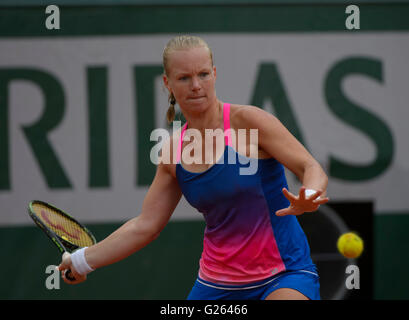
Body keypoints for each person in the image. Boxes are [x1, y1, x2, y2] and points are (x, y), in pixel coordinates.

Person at [58, 35, 329, 300]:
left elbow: (309, 167)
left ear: (214, 74)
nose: (196, 85)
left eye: (203, 74)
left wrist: (310, 194)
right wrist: (82, 261)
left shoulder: (249, 121)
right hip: (215, 283)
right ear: (168, 84)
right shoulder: (172, 152)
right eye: (184, 78)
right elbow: (146, 225)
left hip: (284, 275)